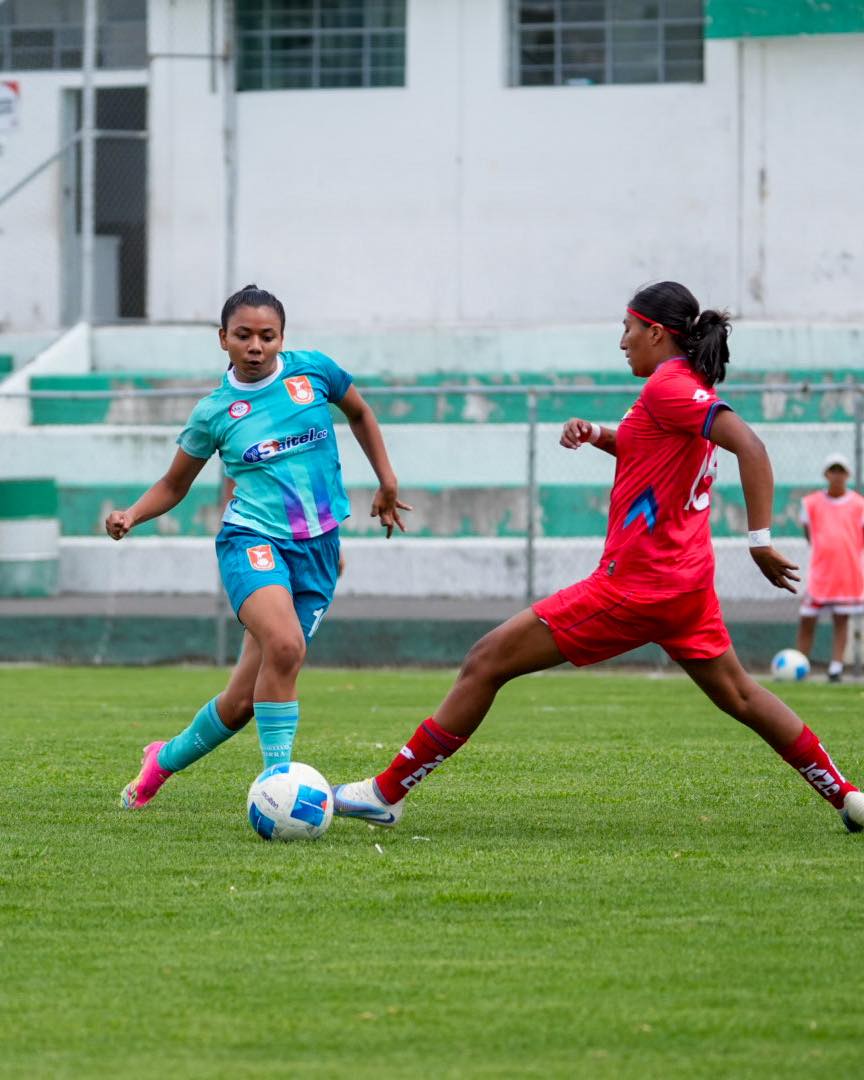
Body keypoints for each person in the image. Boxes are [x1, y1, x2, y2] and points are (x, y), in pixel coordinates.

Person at [333, 281, 864, 834]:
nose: (622, 341)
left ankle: (385, 792)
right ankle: (849, 797)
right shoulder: (683, 387)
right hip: (685, 587)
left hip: (637, 586)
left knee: (485, 661)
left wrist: (759, 541)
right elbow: (655, 447)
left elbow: (751, 446)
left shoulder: (669, 386)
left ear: (656, 332)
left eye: (628, 328)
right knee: (743, 695)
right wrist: (600, 435)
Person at [107, 284, 410, 809]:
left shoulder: (313, 372)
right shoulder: (215, 412)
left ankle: (161, 761)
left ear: (281, 339)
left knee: (242, 702)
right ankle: (279, 786)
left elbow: (360, 413)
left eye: (267, 336)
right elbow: (174, 484)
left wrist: (386, 481)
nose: (255, 346)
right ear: (222, 338)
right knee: (287, 646)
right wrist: (131, 514)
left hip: (316, 551)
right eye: (243, 335)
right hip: (252, 540)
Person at [795, 452, 864, 682]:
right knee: (807, 618)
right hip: (821, 573)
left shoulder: (858, 504)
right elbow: (809, 534)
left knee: (841, 619)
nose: (836, 475)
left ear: (847, 475)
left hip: (846, 573)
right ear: (826, 474)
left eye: (841, 471)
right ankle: (799, 664)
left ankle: (836, 667)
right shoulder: (812, 503)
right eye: (833, 470)